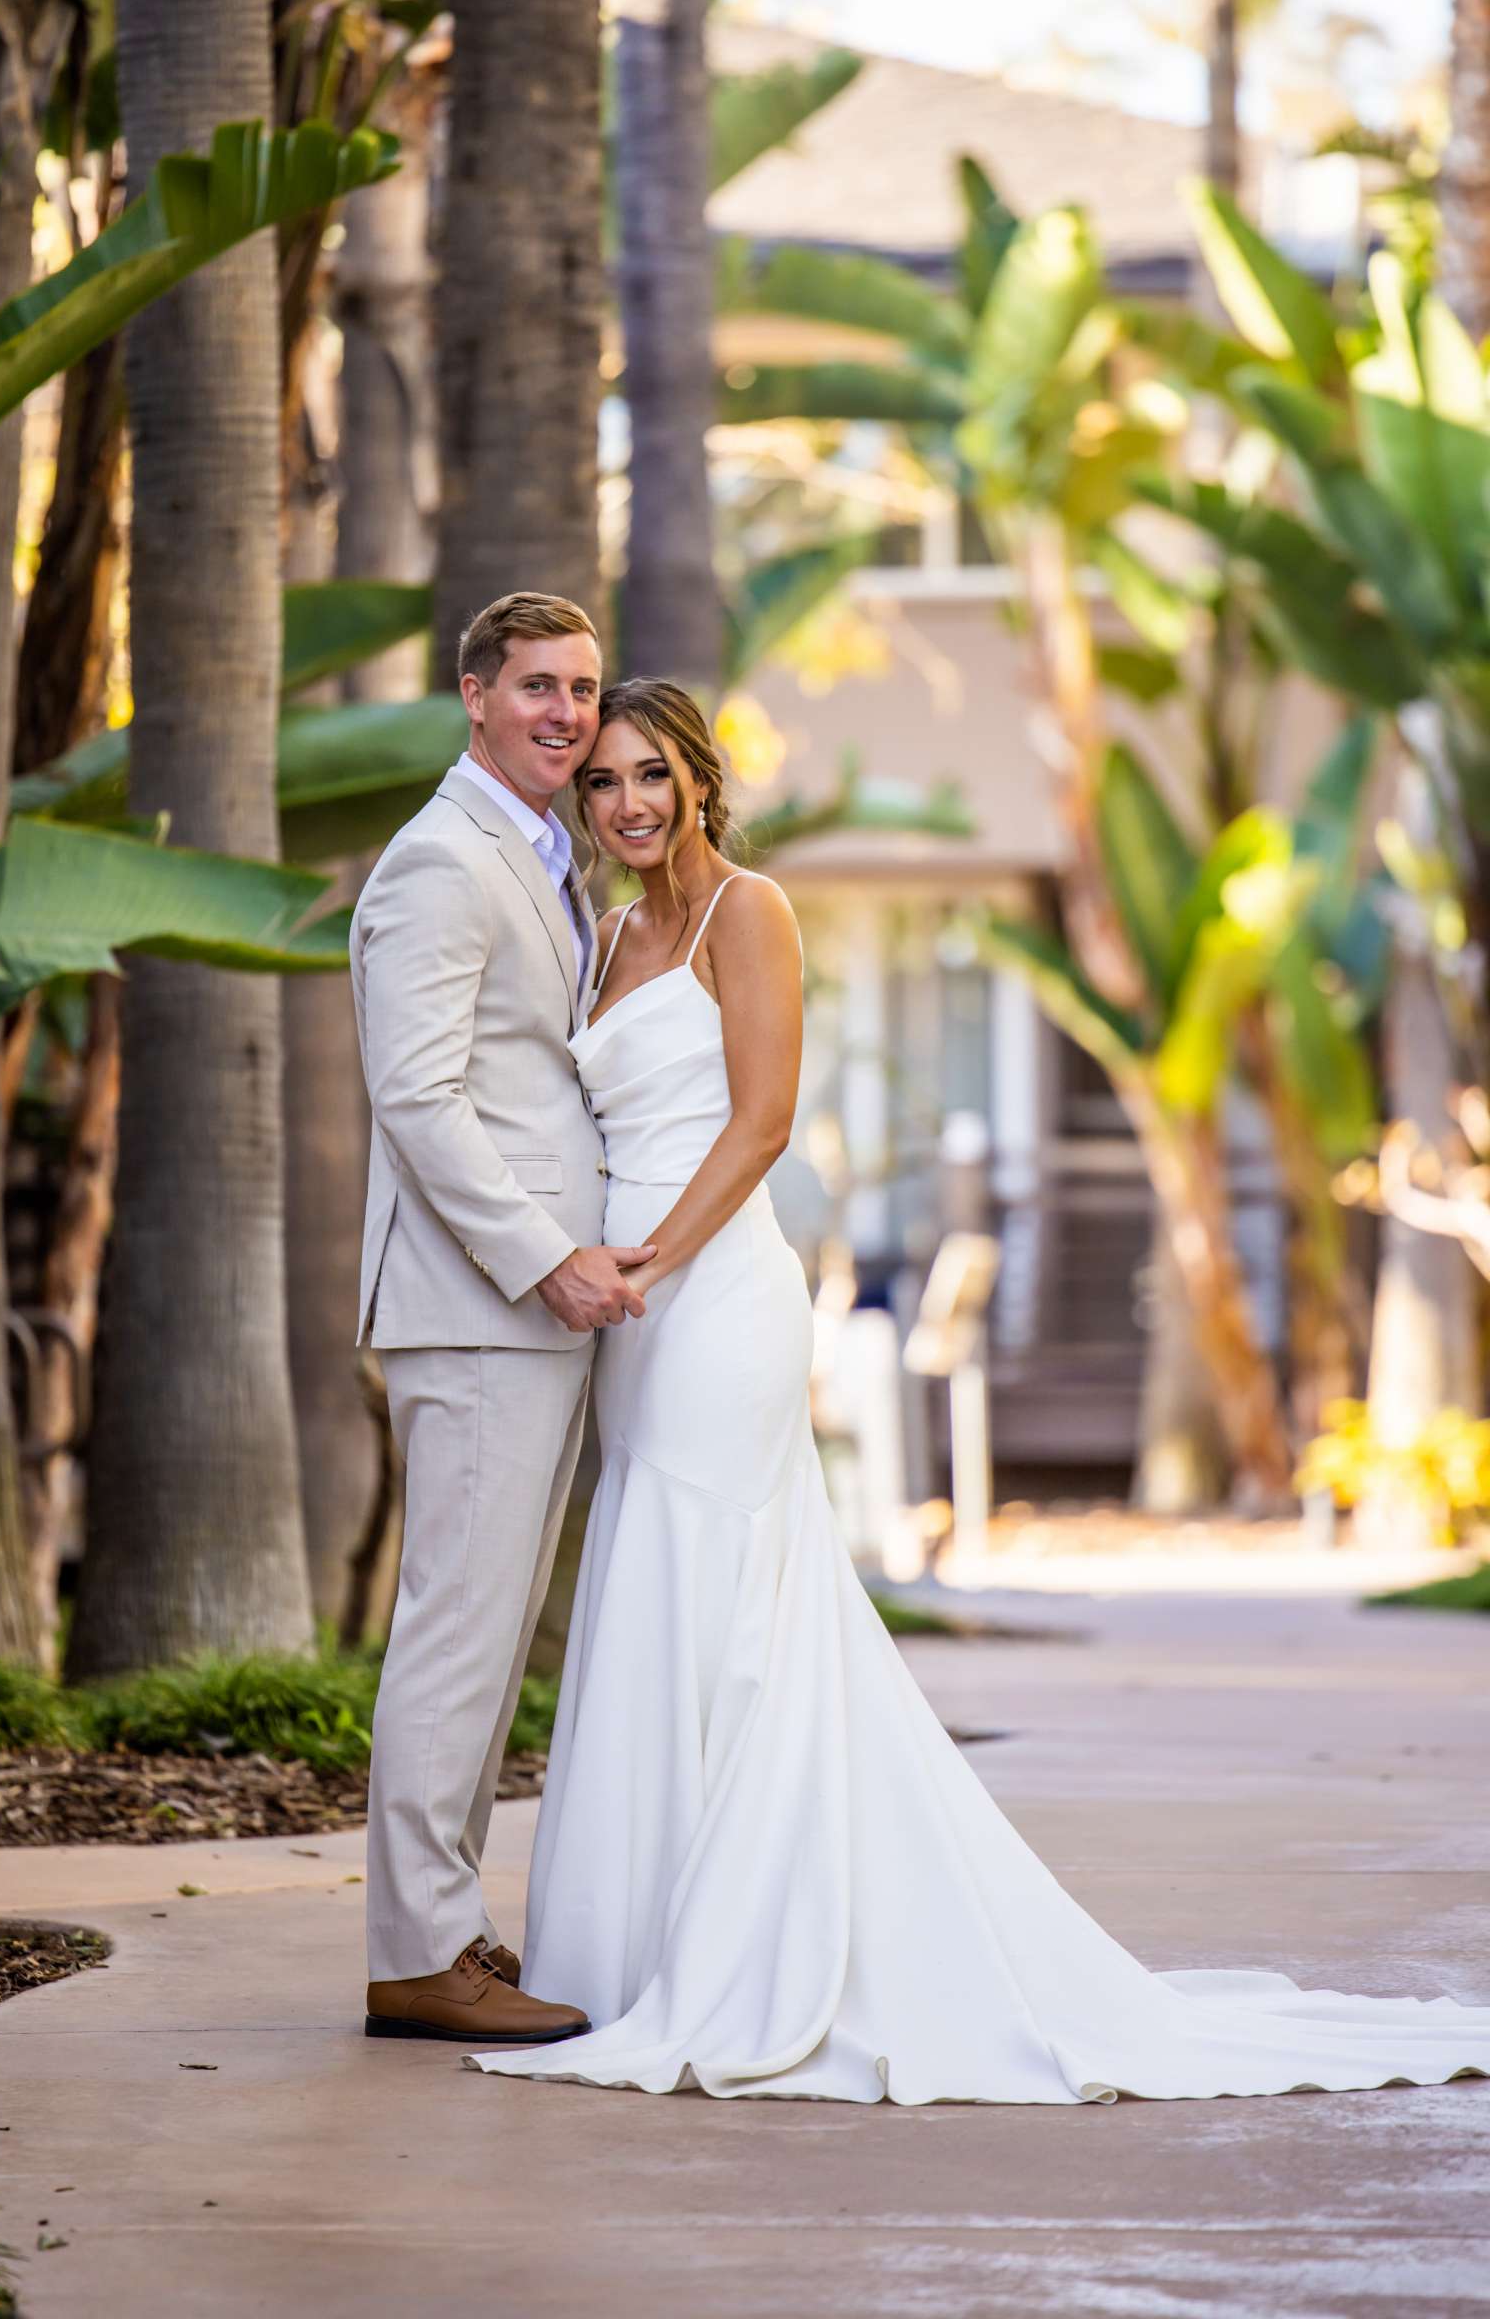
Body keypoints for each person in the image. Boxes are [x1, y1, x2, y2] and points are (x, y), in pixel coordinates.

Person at [470, 676, 1490, 2105]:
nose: (628, 803)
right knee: (652, 1582)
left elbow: (763, 1122)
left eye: (651, 774)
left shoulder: (742, 912)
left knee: (722, 1593)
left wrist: (653, 1260)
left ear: (699, 777)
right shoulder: (609, 933)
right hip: (626, 1303)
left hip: (706, 1293)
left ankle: (749, 1950)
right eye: (604, 783)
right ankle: (634, 1949)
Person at [351, 590, 656, 2049]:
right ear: (473, 695)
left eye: (584, 688)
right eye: (536, 685)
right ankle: (417, 1957)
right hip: (479, 1311)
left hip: (530, 1317)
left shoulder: (549, 855)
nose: (567, 713)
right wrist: (549, 1259)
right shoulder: (439, 862)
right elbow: (417, 1098)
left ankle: (451, 1932)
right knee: (456, 1640)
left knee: (482, 1643)